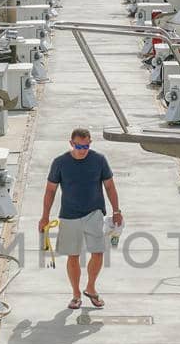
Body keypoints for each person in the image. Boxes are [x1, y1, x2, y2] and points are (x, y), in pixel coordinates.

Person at [39, 127, 123, 310]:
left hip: (94, 213)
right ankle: (76, 294)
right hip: (69, 215)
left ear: (90, 143)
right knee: (73, 256)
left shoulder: (99, 160)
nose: (82, 150)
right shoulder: (60, 163)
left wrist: (117, 210)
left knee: (98, 252)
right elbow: (50, 191)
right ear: (71, 143)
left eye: (86, 146)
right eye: (78, 146)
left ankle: (91, 287)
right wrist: (45, 216)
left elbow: (109, 186)